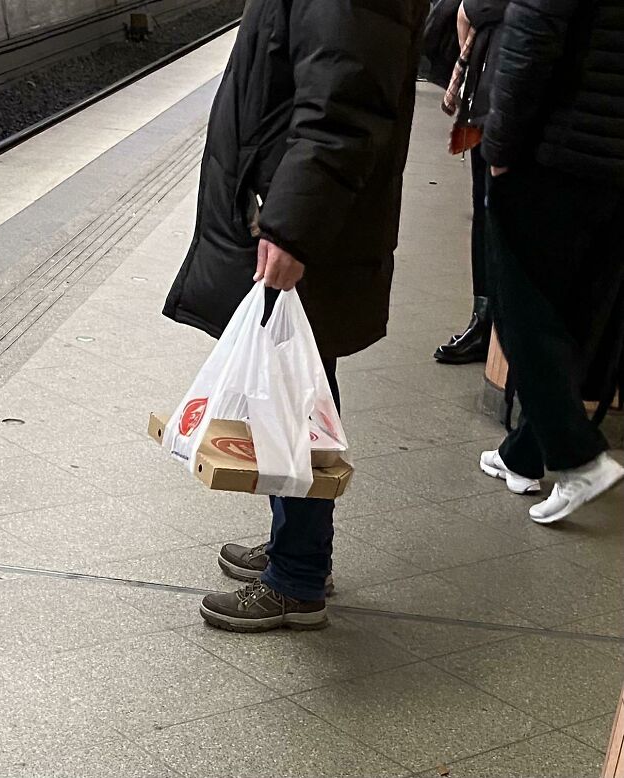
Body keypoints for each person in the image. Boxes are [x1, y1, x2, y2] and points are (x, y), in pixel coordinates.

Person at [163, 0, 428, 632]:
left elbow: (342, 106)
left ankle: (299, 579)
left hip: (303, 221)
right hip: (292, 206)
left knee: (297, 385)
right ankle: (297, 548)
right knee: (296, 378)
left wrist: (292, 229)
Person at [478, 0, 624, 523]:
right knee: (576, 314)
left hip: (553, 152)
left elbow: (531, 40)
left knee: (522, 309)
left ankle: (580, 458)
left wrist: (498, 146)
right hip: (613, 163)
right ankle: (525, 454)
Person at [432, 0, 508, 365]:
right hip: (491, 100)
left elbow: (465, 12)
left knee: (491, 214)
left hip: (498, 105)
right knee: (485, 212)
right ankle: (486, 319)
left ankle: (489, 323)